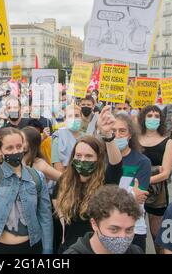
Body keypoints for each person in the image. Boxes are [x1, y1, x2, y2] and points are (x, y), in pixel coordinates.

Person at [0, 101, 53, 254]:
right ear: (0, 150)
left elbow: (45, 216)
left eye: (18, 146)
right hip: (0, 248)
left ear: (24, 147)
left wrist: (47, 250)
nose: (15, 151)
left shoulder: (37, 177)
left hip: (31, 247)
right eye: (9, 148)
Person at [53, 106, 124, 253]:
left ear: (98, 159)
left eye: (89, 156)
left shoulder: (106, 181)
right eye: (78, 156)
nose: (82, 160)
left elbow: (116, 164)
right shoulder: (64, 182)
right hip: (70, 249)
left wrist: (108, 135)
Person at [109, 111, 151, 253]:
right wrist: (131, 194)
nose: (118, 135)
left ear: (130, 134)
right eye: (113, 131)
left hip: (134, 228)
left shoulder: (142, 162)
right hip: (107, 226)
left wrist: (110, 197)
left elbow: (139, 199)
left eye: (122, 131)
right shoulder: (102, 159)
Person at [64, 185, 144, 254]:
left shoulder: (135, 251)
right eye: (114, 229)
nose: (123, 237)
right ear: (94, 224)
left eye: (129, 230)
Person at [137, 106, 172, 253]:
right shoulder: (134, 140)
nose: (153, 119)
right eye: (150, 115)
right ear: (143, 118)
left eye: (157, 116)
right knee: (135, 232)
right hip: (135, 191)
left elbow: (165, 173)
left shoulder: (167, 142)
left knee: (158, 235)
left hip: (158, 195)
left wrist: (143, 181)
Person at [51, 104, 84, 173]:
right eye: (70, 116)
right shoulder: (58, 138)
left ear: (81, 118)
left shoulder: (86, 137)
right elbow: (58, 169)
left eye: (77, 116)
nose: (74, 119)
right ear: (65, 120)